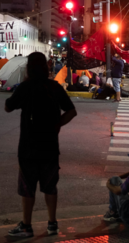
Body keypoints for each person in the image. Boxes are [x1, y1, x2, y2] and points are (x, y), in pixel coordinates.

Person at [5, 52, 77, 237]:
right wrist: (57, 124)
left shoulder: (25, 87)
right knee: (50, 186)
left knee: (28, 187)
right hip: (50, 146)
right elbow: (71, 111)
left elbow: (8, 106)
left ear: (28, 67)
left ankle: (27, 226)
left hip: (29, 147)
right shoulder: (54, 87)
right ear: (46, 67)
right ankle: (52, 224)